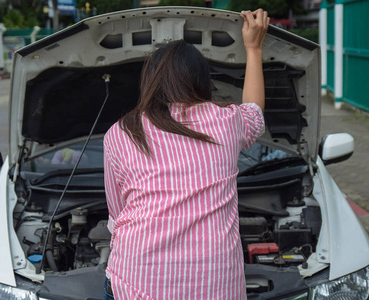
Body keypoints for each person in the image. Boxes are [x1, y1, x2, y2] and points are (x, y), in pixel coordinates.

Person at [103, 9, 270, 300]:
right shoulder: (226, 122)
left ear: (150, 80)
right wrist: (253, 48)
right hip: (216, 288)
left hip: (136, 283)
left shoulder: (121, 132)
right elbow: (255, 111)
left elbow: (118, 214)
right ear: (203, 81)